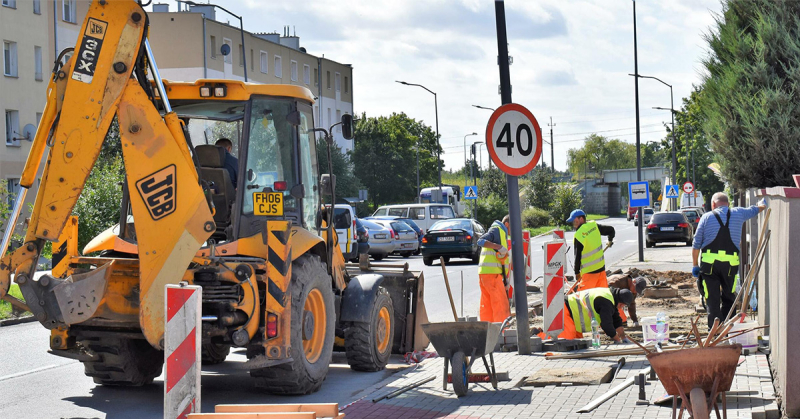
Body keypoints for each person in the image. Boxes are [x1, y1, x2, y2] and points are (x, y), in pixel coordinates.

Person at [692, 193, 766, 328]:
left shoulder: (706, 217)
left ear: (713, 205)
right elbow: (757, 209)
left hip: (709, 266)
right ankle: (728, 330)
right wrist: (763, 202)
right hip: (730, 266)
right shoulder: (739, 213)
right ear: (728, 204)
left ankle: (714, 332)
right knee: (729, 297)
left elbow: (696, 245)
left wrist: (695, 265)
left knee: (712, 298)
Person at [537, 287, 633, 342]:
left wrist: (623, 337)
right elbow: (606, 325)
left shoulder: (611, 298)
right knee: (564, 341)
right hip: (563, 309)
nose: (621, 308)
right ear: (621, 303)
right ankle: (537, 336)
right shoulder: (606, 302)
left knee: (577, 343)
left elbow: (616, 320)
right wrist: (617, 340)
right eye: (623, 306)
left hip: (572, 316)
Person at [566, 209, 615, 291]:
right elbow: (611, 230)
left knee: (583, 300)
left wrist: (577, 273)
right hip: (601, 271)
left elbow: (577, 257)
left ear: (581, 219)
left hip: (589, 274)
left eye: (575, 221)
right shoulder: (594, 226)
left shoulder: (579, 235)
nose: (574, 225)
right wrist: (610, 240)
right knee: (602, 297)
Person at [476, 215, 512, 322]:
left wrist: (505, 280)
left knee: (487, 306)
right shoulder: (497, 230)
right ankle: (502, 332)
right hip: (492, 276)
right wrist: (499, 247)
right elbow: (481, 241)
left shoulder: (501, 232)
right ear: (507, 224)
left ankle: (488, 331)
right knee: (500, 305)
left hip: (486, 274)